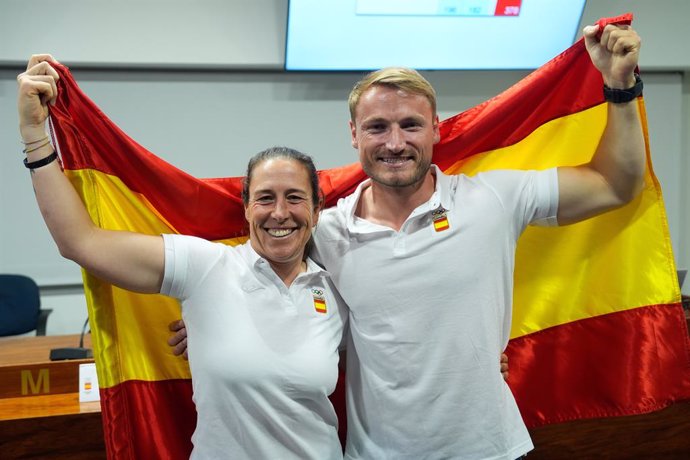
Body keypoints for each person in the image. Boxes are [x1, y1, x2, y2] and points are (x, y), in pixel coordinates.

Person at [172, 20, 645, 459]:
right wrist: (219, 318)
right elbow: (269, 275)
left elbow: (614, 184)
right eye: (377, 127)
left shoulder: (495, 199)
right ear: (354, 135)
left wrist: (620, 88)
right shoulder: (327, 230)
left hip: (490, 449)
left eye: (410, 125)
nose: (394, 142)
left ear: (437, 129)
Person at [17, 56, 348, 459]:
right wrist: (35, 134)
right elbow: (80, 242)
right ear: (245, 209)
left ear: (317, 210)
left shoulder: (338, 290)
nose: (280, 213)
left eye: (295, 198)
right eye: (265, 198)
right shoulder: (205, 266)